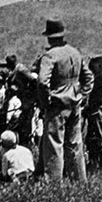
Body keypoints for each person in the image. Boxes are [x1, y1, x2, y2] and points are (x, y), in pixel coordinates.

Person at [35, 19, 86, 183]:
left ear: (49, 37)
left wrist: (45, 102)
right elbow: (88, 77)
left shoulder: (50, 55)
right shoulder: (75, 52)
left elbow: (42, 82)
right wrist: (82, 94)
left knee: (54, 145)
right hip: (74, 103)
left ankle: (54, 182)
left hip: (57, 105)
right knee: (75, 143)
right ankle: (79, 179)